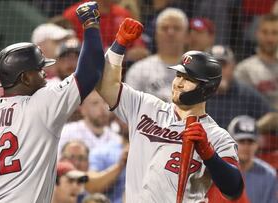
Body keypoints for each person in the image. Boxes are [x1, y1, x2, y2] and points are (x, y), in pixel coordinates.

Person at [0, 2, 104, 202]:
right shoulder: (43, 103)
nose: (45, 74)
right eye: (39, 70)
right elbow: (91, 70)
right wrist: (90, 22)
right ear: (25, 78)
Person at [96, 18, 244, 202]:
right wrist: (119, 45)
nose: (179, 83)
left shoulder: (216, 136)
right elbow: (106, 86)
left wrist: (209, 154)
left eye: (188, 79)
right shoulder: (146, 106)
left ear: (207, 88)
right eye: (178, 75)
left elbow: (234, 189)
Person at [125, 8, 188, 102]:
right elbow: (129, 107)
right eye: (164, 28)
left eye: (176, 28)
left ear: (187, 36)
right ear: (156, 35)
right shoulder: (139, 69)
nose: (170, 33)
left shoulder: (197, 71)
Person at [206, 45, 275, 129]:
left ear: (233, 66)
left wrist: (251, 129)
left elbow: (273, 116)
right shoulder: (199, 92)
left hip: (236, 141)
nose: (219, 70)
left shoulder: (245, 93)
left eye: (223, 65)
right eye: (214, 66)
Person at [228, 115, 277, 203]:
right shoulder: (220, 171)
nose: (246, 147)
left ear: (257, 144)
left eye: (250, 141)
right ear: (230, 142)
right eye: (242, 141)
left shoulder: (268, 174)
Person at [235, 14, 278, 110]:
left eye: (274, 33)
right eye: (265, 32)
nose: (269, 38)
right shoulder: (244, 69)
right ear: (257, 33)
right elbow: (240, 104)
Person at [58, 91, 121, 155]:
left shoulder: (117, 139)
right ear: (82, 109)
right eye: (95, 103)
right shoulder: (67, 132)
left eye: (105, 102)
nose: (102, 108)